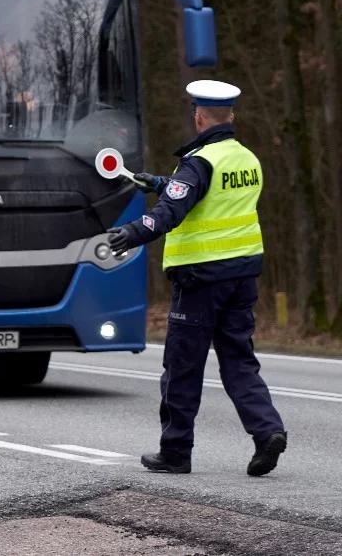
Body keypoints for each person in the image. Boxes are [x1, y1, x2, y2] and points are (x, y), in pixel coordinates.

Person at [107, 80, 286, 477]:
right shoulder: (247, 159)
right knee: (239, 361)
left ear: (199, 116)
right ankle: (267, 432)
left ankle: (175, 452)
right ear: (231, 115)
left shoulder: (199, 162)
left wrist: (132, 233)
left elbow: (171, 212)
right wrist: (157, 183)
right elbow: (205, 199)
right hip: (242, 275)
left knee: (182, 367)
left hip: (201, 279)